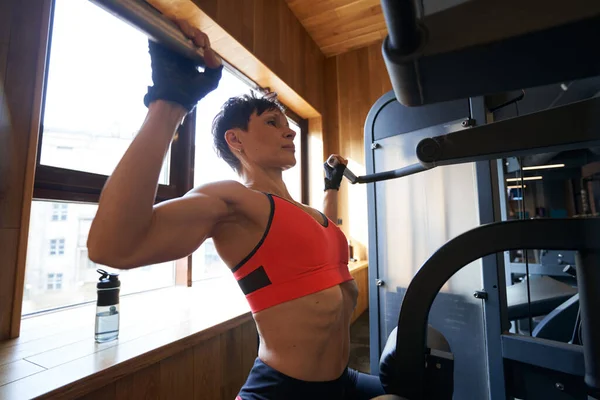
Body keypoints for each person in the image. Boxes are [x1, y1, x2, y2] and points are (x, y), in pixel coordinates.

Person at [87, 19, 385, 400]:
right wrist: (169, 105)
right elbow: (112, 246)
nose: (290, 131)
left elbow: (326, 237)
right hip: (284, 391)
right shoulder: (235, 200)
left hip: (343, 381)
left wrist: (331, 185)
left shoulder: (308, 214)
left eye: (287, 125)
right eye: (273, 123)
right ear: (235, 140)